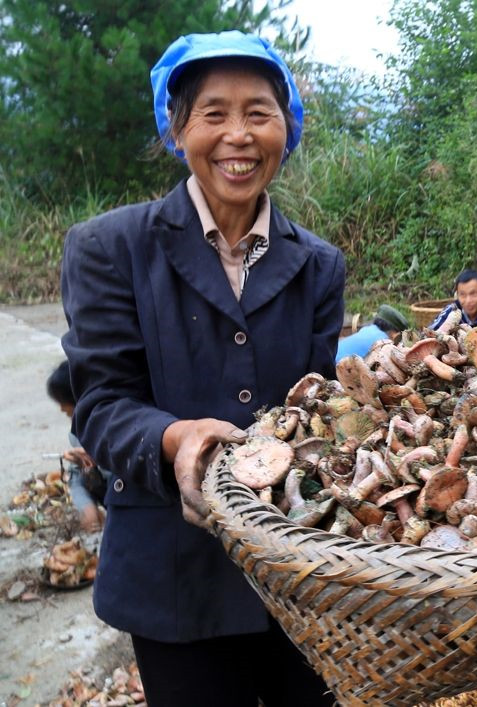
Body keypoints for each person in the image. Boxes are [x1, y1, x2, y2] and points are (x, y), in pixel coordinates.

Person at [60, 30, 344, 705]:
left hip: (298, 578)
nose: (238, 135)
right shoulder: (109, 248)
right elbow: (101, 402)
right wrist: (175, 438)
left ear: (287, 126)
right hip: (172, 576)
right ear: (176, 127)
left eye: (259, 113)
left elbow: (319, 413)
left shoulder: (319, 265)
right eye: (214, 113)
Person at [46, 360, 109, 533]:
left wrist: (99, 459)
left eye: (63, 402)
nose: (61, 409)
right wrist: (86, 506)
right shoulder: (78, 434)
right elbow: (76, 477)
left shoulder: (112, 430)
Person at [335, 304, 409, 362]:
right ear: (395, 334)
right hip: (337, 370)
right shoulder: (383, 343)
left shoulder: (366, 329)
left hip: (330, 357)